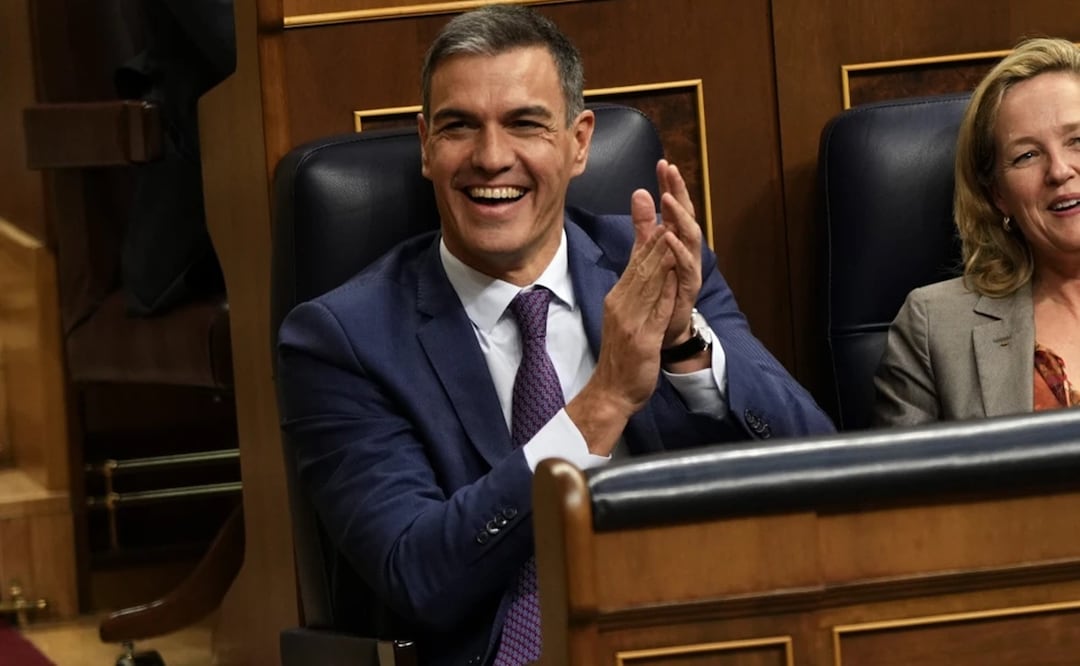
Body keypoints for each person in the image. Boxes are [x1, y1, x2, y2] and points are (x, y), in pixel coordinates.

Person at [276, 5, 834, 665]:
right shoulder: (342, 340)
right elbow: (419, 574)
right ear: (426, 146)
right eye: (459, 127)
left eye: (524, 124)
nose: (490, 158)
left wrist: (684, 345)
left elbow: (819, 466)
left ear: (578, 142)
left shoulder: (651, 263)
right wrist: (602, 403)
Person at [875, 37, 1080, 426]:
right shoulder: (934, 327)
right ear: (998, 196)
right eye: (1027, 155)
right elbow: (903, 485)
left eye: (1078, 140)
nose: (1059, 170)